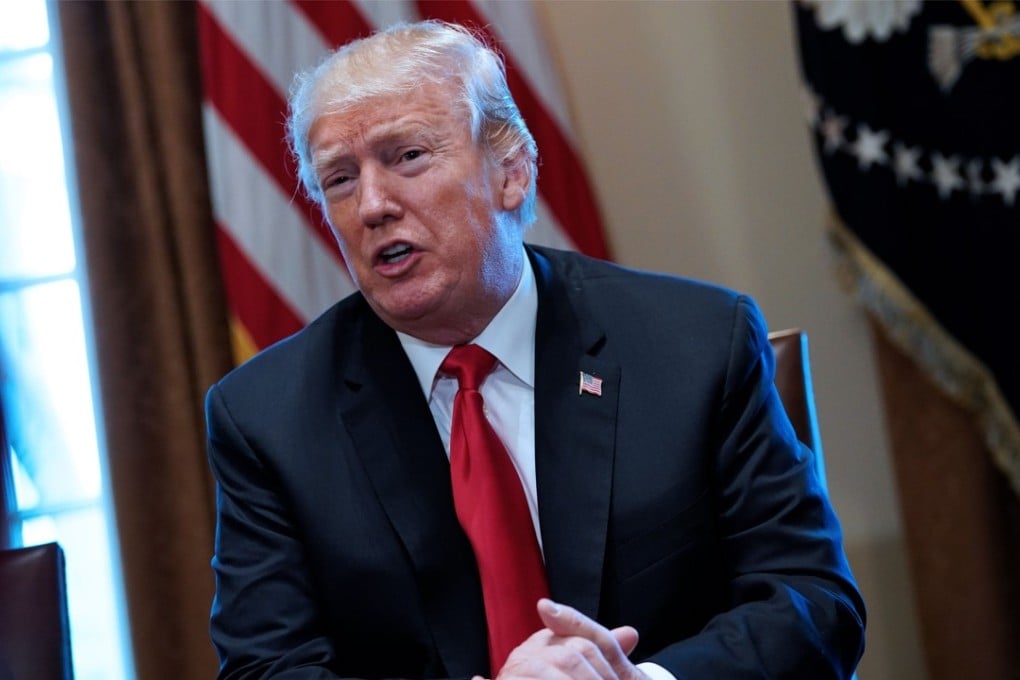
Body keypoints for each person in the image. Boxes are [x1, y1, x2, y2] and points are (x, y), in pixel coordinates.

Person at [206, 19, 865, 680]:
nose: (372, 205)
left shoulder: (695, 345)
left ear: (512, 172)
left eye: (406, 156)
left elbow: (812, 601)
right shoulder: (269, 419)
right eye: (340, 180)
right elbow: (266, 670)